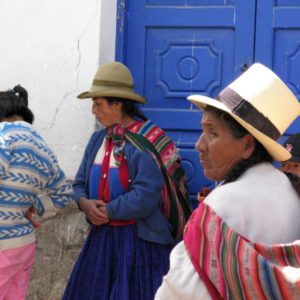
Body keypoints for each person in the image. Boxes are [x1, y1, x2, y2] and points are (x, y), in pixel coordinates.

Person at [155, 63, 300, 300]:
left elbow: (179, 292)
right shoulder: (292, 191)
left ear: (247, 145)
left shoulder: (220, 205)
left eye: (212, 133)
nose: (199, 145)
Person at [62, 62, 191, 300]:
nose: (94, 111)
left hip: (139, 244)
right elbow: (79, 182)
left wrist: (108, 210)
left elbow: (146, 195)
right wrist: (84, 203)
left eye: (98, 103)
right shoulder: (97, 140)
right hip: (101, 241)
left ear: (118, 104)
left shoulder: (146, 140)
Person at [0, 85, 74, 300]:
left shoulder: (4, 135)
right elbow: (63, 193)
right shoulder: (43, 147)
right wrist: (35, 207)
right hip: (23, 244)